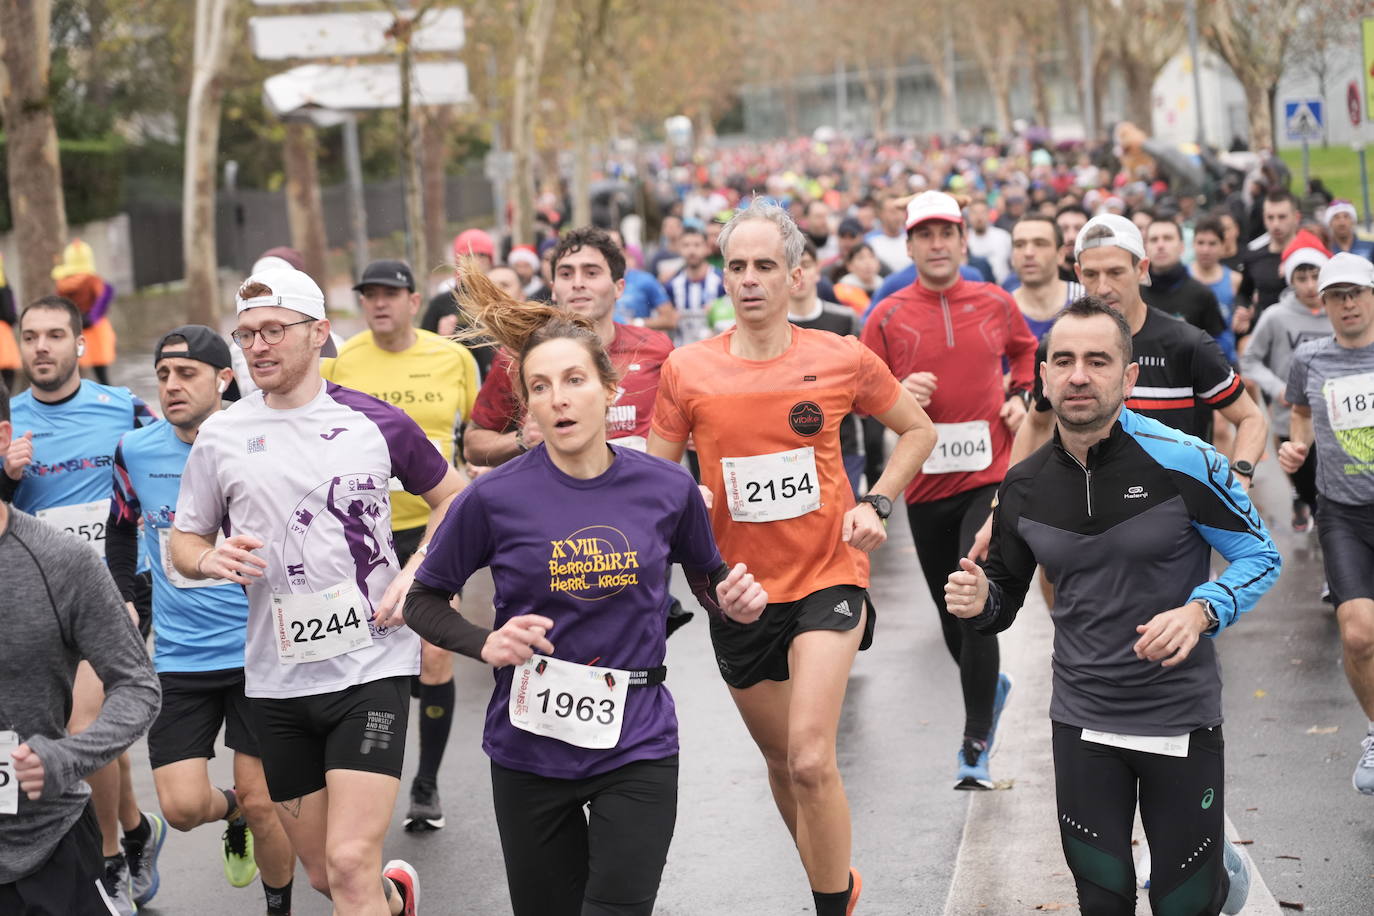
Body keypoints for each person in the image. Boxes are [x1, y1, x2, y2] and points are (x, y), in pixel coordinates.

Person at [401, 268, 767, 916]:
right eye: (540, 387)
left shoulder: (666, 487)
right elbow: (424, 599)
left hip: (637, 737)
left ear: (608, 388)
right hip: (529, 744)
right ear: (528, 406)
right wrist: (486, 642)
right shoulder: (493, 497)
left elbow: (708, 578)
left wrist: (730, 603)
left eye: (574, 381)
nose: (559, 399)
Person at [649, 198, 937, 916]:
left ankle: (830, 906)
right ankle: (833, 882)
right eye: (736, 266)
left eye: (765, 266)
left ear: (795, 274)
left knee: (812, 756)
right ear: (722, 278)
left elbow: (917, 430)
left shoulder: (839, 356)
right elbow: (654, 485)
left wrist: (876, 504)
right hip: (736, 590)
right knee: (782, 764)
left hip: (828, 576)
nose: (749, 279)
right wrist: (689, 524)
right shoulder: (687, 370)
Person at [946, 295, 1279, 916]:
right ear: (1042, 375)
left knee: (1186, 906)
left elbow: (1262, 555)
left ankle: (1217, 879)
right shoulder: (1023, 487)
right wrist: (977, 601)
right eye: (1064, 360)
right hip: (1083, 721)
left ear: (1129, 377)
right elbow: (1004, 599)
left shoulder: (1186, 461)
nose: (1078, 375)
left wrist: (1201, 610)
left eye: (1098, 361)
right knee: (1103, 902)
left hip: (1178, 717)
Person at [169, 265, 466, 916]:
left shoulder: (373, 422)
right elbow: (182, 541)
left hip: (372, 668)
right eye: (247, 334)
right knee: (327, 877)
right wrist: (208, 558)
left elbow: (452, 499)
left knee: (350, 861)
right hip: (278, 685)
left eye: (275, 330)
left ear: (319, 335)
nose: (259, 346)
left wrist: (417, 575)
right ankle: (396, 898)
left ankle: (373, 887)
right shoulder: (222, 435)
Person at [107, 326, 295, 912]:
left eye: (186, 373)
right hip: (181, 656)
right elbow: (120, 530)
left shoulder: (263, 437)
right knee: (185, 809)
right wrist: (125, 599)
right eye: (163, 375)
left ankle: (279, 904)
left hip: (257, 651)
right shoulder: (134, 450)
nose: (171, 386)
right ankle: (231, 808)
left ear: (224, 379)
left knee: (265, 799)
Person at [862, 190, 1037, 789]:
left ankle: (974, 743)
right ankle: (991, 687)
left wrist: (1019, 396)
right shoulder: (885, 315)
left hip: (989, 480)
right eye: (925, 235)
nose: (937, 245)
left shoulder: (994, 302)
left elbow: (1026, 352)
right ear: (908, 245)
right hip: (925, 484)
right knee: (947, 617)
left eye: (947, 234)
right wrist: (897, 390)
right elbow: (861, 389)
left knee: (971, 599)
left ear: (964, 241)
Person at [2, 295, 162, 913]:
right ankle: (138, 828)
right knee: (86, 739)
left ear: (79, 345)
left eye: (54, 335)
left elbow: (172, 469)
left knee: (82, 725)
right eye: (31, 336)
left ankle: (107, 861)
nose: (41, 346)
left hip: (111, 588)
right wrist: (7, 475)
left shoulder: (123, 408)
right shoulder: (8, 420)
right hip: (32, 594)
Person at [321, 259, 482, 832]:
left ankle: (427, 782)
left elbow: (478, 434)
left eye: (391, 294)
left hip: (434, 524)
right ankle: (353, 769)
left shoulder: (453, 358)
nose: (379, 303)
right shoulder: (343, 361)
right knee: (359, 650)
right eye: (369, 295)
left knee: (434, 652)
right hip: (360, 532)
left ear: (415, 301)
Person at [1279, 253, 1374, 792]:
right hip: (1343, 513)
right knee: (1359, 635)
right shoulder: (1310, 358)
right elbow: (1300, 413)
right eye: (1337, 296)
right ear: (1325, 305)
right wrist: (1297, 448)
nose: (1347, 304)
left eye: (1356, 293)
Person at [465, 227, 674, 464]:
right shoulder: (518, 356)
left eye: (591, 273)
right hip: (554, 497)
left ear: (619, 287)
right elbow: (473, 446)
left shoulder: (657, 349)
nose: (577, 283)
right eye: (566, 274)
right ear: (553, 288)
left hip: (639, 495)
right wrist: (522, 439)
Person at [1241, 240, 1332, 532]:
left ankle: (1332, 532)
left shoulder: (1338, 311)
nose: (1309, 285)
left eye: (1315, 276)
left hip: (1335, 416)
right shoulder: (1276, 316)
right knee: (1305, 481)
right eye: (1301, 278)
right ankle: (1308, 503)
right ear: (1290, 279)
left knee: (1334, 486)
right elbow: (1250, 359)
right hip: (1290, 415)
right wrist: (1279, 388)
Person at [1142, 217, 1227, 342]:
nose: (1160, 245)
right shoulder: (1134, 293)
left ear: (1182, 247)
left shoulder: (1202, 295)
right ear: (1145, 248)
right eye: (1154, 240)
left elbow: (1218, 345)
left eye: (1168, 238)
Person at [1008, 215, 1086, 340]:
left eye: (1040, 244)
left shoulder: (1086, 302)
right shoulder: (1001, 310)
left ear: (1060, 254)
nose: (1028, 253)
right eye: (1019, 244)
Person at [1235, 189, 1301, 332]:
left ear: (1296, 217)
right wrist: (1244, 311)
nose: (1276, 224)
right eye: (1270, 217)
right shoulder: (1254, 255)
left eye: (1282, 217)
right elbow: (1244, 293)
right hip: (1267, 333)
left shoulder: (1309, 255)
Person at [656, 227, 725, 344]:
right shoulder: (672, 284)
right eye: (686, 245)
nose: (691, 250)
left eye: (697, 245)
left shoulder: (721, 281)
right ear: (679, 249)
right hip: (682, 350)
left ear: (707, 248)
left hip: (715, 349)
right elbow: (664, 320)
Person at [1190, 216, 1242, 365]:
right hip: (1188, 360)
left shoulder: (1235, 280)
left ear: (1222, 246)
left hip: (1225, 361)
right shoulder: (1182, 278)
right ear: (1193, 244)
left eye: (1212, 243)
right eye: (1201, 243)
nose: (1205, 249)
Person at [965, 199, 1013, 284]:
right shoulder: (964, 239)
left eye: (982, 212)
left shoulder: (1003, 236)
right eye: (974, 213)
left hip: (1002, 287)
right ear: (969, 216)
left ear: (989, 214)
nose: (979, 217)